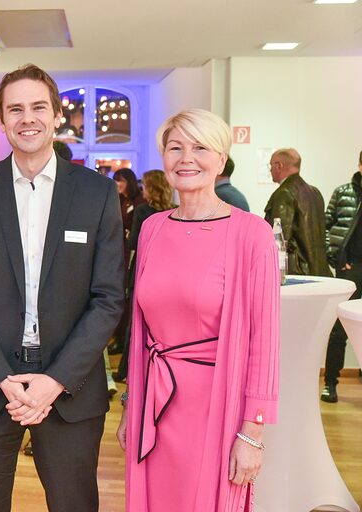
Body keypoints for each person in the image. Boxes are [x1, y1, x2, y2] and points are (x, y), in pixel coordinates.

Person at [0, 64, 124, 512]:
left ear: (57, 115)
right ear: (1, 119)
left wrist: (55, 380)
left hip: (70, 386)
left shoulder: (97, 193)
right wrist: (1, 377)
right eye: (15, 109)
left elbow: (108, 298)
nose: (28, 118)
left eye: (38, 107)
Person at [118, 109, 280, 512]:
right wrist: (130, 404)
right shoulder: (153, 227)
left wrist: (252, 434)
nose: (186, 158)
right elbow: (140, 332)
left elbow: (264, 342)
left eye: (200, 148)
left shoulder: (251, 233)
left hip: (216, 407)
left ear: (221, 159)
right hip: (154, 405)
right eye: (175, 148)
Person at [113, 169, 175, 382]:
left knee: (135, 323)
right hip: (165, 272)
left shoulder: (142, 210)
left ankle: (127, 372)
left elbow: (133, 243)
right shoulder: (172, 211)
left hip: (143, 269)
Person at [322, 150, 362, 403]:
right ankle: (330, 383)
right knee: (339, 330)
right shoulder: (343, 193)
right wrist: (335, 257)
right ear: (360, 165)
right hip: (351, 268)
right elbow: (325, 227)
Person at [264, 148, 331, 276]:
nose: (270, 170)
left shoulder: (284, 194)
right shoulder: (315, 192)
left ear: (279, 166)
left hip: (296, 274)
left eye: (270, 165)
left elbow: (279, 239)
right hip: (320, 271)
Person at [108, 168, 145, 355]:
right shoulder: (119, 201)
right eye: (115, 181)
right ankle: (118, 336)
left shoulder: (140, 203)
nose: (117, 185)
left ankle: (123, 338)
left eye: (120, 181)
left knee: (127, 296)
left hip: (131, 253)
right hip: (118, 252)